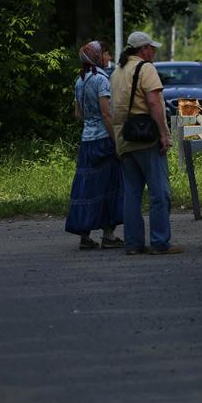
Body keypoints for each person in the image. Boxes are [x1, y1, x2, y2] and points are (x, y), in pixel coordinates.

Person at [110, 31, 182, 255]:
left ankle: (133, 244)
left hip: (124, 139)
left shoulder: (117, 72)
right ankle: (160, 242)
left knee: (131, 194)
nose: (154, 51)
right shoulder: (146, 69)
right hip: (146, 139)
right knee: (159, 193)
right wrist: (164, 134)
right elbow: (154, 102)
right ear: (143, 50)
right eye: (152, 47)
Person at [65, 41, 124, 249]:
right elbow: (107, 114)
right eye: (106, 54)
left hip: (86, 140)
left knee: (87, 187)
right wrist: (116, 142)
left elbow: (78, 114)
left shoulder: (79, 81)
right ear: (98, 57)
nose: (108, 57)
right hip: (102, 140)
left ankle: (85, 236)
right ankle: (109, 236)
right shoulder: (101, 79)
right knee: (109, 186)